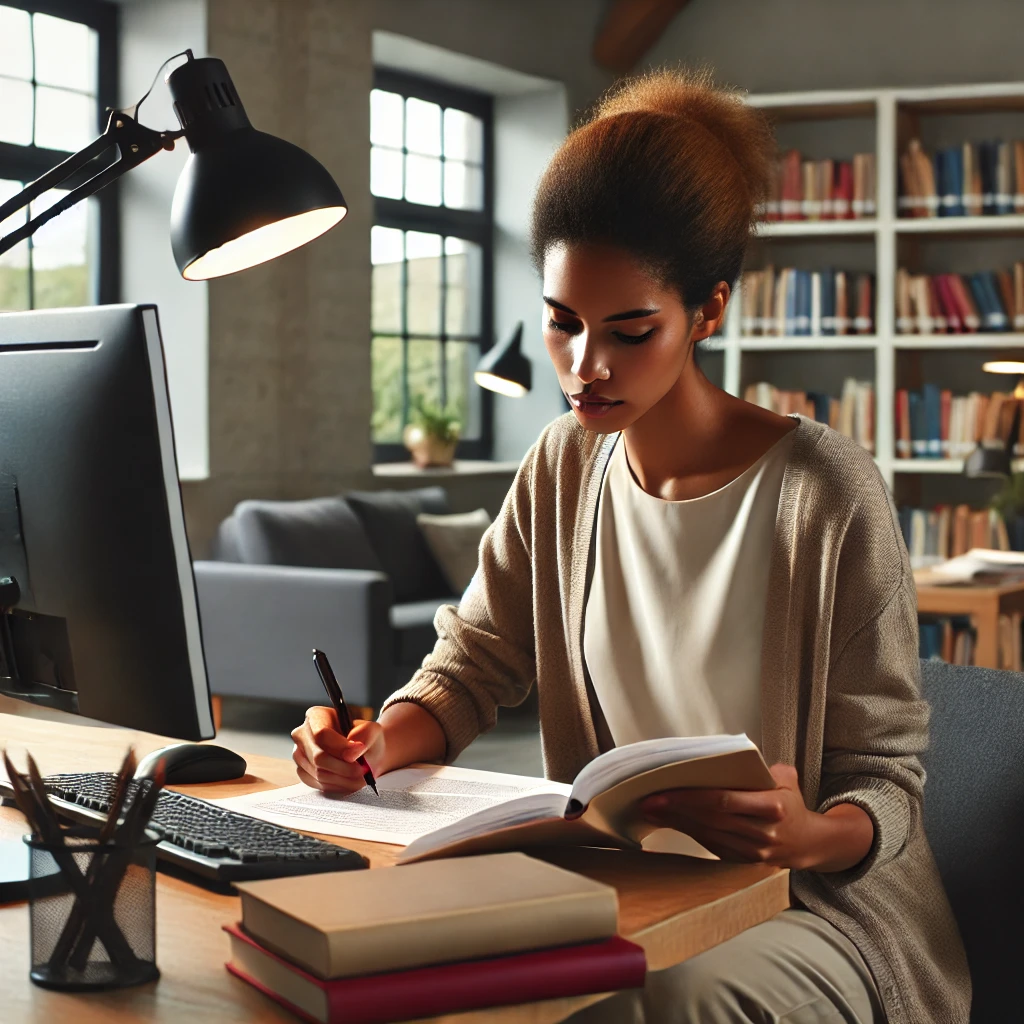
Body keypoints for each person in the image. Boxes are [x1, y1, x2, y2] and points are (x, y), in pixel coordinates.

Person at [291, 67, 970, 1023]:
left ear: (710, 309)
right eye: (562, 323)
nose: (585, 366)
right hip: (628, 886)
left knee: (653, 1005)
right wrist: (366, 745)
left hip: (811, 908)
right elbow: (472, 666)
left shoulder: (825, 493)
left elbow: (885, 782)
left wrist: (808, 833)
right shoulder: (562, 467)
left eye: (629, 331)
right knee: (380, 959)